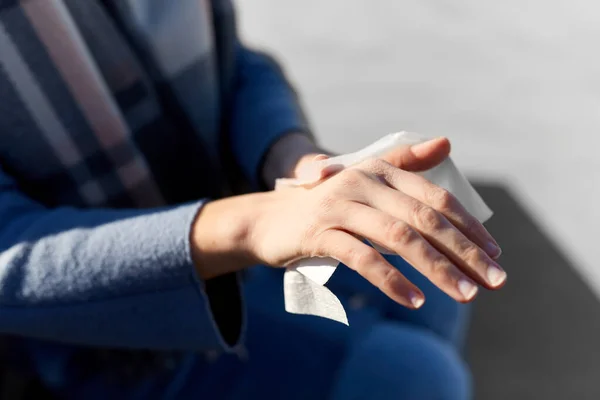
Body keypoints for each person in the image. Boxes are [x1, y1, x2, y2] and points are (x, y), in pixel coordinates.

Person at [0, 0, 505, 399]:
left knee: (427, 274)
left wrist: (295, 159)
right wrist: (250, 226)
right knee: (413, 377)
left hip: (228, 221)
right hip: (85, 338)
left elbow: (236, 62)